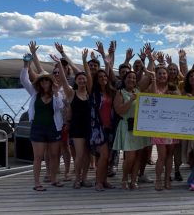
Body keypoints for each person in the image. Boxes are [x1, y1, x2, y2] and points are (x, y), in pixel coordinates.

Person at [20, 54, 64, 191]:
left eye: (47, 79)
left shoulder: (56, 93)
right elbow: (24, 79)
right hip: (38, 127)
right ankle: (37, 183)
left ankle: (54, 178)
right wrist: (26, 65)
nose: (44, 81)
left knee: (54, 155)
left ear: (51, 81)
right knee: (38, 156)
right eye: (42, 79)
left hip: (53, 127)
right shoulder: (34, 93)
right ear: (39, 82)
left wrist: (56, 94)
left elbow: (60, 107)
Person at [80, 49, 119, 191]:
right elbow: (88, 76)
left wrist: (108, 64)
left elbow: (111, 75)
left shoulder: (111, 92)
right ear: (97, 79)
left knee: (107, 157)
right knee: (104, 155)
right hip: (98, 128)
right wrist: (85, 60)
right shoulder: (93, 91)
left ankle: (104, 180)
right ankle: (98, 181)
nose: (103, 78)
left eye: (105, 76)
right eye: (100, 76)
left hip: (111, 127)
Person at [51, 52, 91, 189]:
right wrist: (59, 64)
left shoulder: (90, 93)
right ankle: (77, 179)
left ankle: (85, 178)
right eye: (79, 79)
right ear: (76, 81)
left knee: (88, 155)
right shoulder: (71, 93)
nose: (82, 81)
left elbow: (89, 76)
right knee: (79, 154)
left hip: (90, 127)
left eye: (84, 79)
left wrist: (84, 60)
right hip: (77, 127)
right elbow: (62, 77)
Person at [113, 69, 153, 191]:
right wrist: (130, 101)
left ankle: (134, 181)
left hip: (139, 126)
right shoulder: (120, 93)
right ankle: (124, 179)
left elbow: (150, 77)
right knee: (130, 157)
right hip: (127, 125)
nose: (131, 80)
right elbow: (119, 110)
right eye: (129, 78)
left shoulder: (138, 91)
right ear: (124, 80)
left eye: (134, 78)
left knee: (139, 157)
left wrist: (149, 61)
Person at [151, 65, 180, 191]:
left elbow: (181, 103)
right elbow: (152, 100)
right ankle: (158, 180)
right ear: (156, 76)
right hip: (159, 127)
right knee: (161, 155)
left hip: (173, 126)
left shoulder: (173, 88)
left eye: (164, 73)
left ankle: (167, 179)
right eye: (160, 73)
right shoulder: (153, 88)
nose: (162, 75)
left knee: (170, 154)